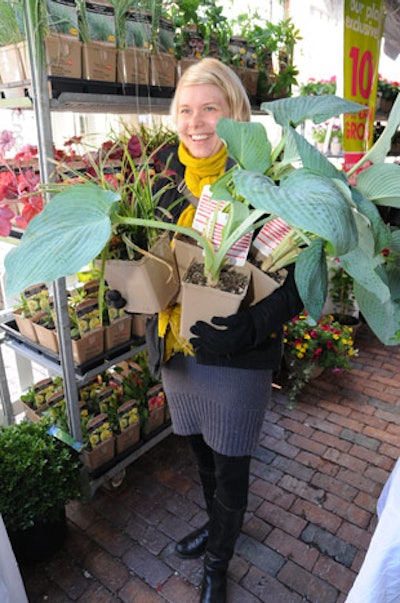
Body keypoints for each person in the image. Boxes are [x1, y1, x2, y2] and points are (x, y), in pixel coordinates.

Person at [147, 57, 303, 603]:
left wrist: (249, 327)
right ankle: (216, 525)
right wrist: (135, 291)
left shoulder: (270, 180)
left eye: (210, 108)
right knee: (201, 452)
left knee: (231, 462)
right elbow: (153, 258)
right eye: (186, 110)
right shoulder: (162, 176)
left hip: (237, 358)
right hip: (182, 351)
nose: (196, 122)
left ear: (235, 112)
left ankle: (219, 559)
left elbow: (301, 284)